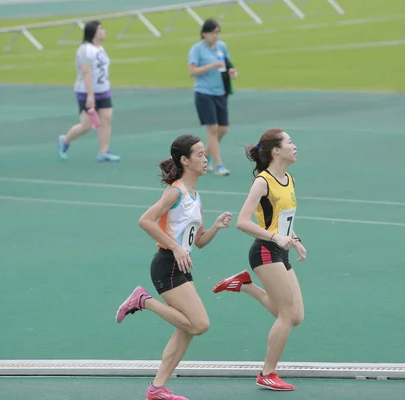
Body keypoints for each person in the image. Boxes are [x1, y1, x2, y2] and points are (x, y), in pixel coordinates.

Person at [115, 134, 232, 400]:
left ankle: (157, 388)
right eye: (200, 155)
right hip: (167, 264)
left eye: (205, 154)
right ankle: (143, 300)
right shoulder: (175, 191)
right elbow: (145, 220)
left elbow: (199, 241)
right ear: (184, 160)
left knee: (187, 330)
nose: (206, 159)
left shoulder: (196, 196)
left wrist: (215, 227)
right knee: (199, 324)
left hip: (182, 266)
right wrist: (176, 247)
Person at [211, 128, 307, 391]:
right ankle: (267, 372)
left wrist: (294, 240)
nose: (295, 146)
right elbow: (243, 222)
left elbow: (280, 219)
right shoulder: (262, 182)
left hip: (280, 250)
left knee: (295, 316)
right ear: (276, 150)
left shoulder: (289, 178)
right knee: (286, 315)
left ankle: (244, 284)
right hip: (265, 251)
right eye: (290, 142)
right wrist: (276, 239)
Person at [58, 20, 120, 162]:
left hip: (103, 90)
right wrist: (90, 96)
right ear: (94, 32)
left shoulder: (100, 49)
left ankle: (104, 152)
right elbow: (86, 73)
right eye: (101, 29)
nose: (104, 31)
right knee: (86, 126)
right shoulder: (85, 50)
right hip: (86, 92)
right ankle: (65, 140)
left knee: (106, 119)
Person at [188, 18, 238, 177]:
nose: (216, 36)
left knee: (223, 129)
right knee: (213, 129)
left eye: (218, 33)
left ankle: (205, 156)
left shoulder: (221, 47)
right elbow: (192, 71)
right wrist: (211, 66)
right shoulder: (197, 50)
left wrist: (232, 72)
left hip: (220, 92)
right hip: (204, 93)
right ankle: (219, 165)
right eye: (213, 33)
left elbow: (227, 64)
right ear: (204, 34)